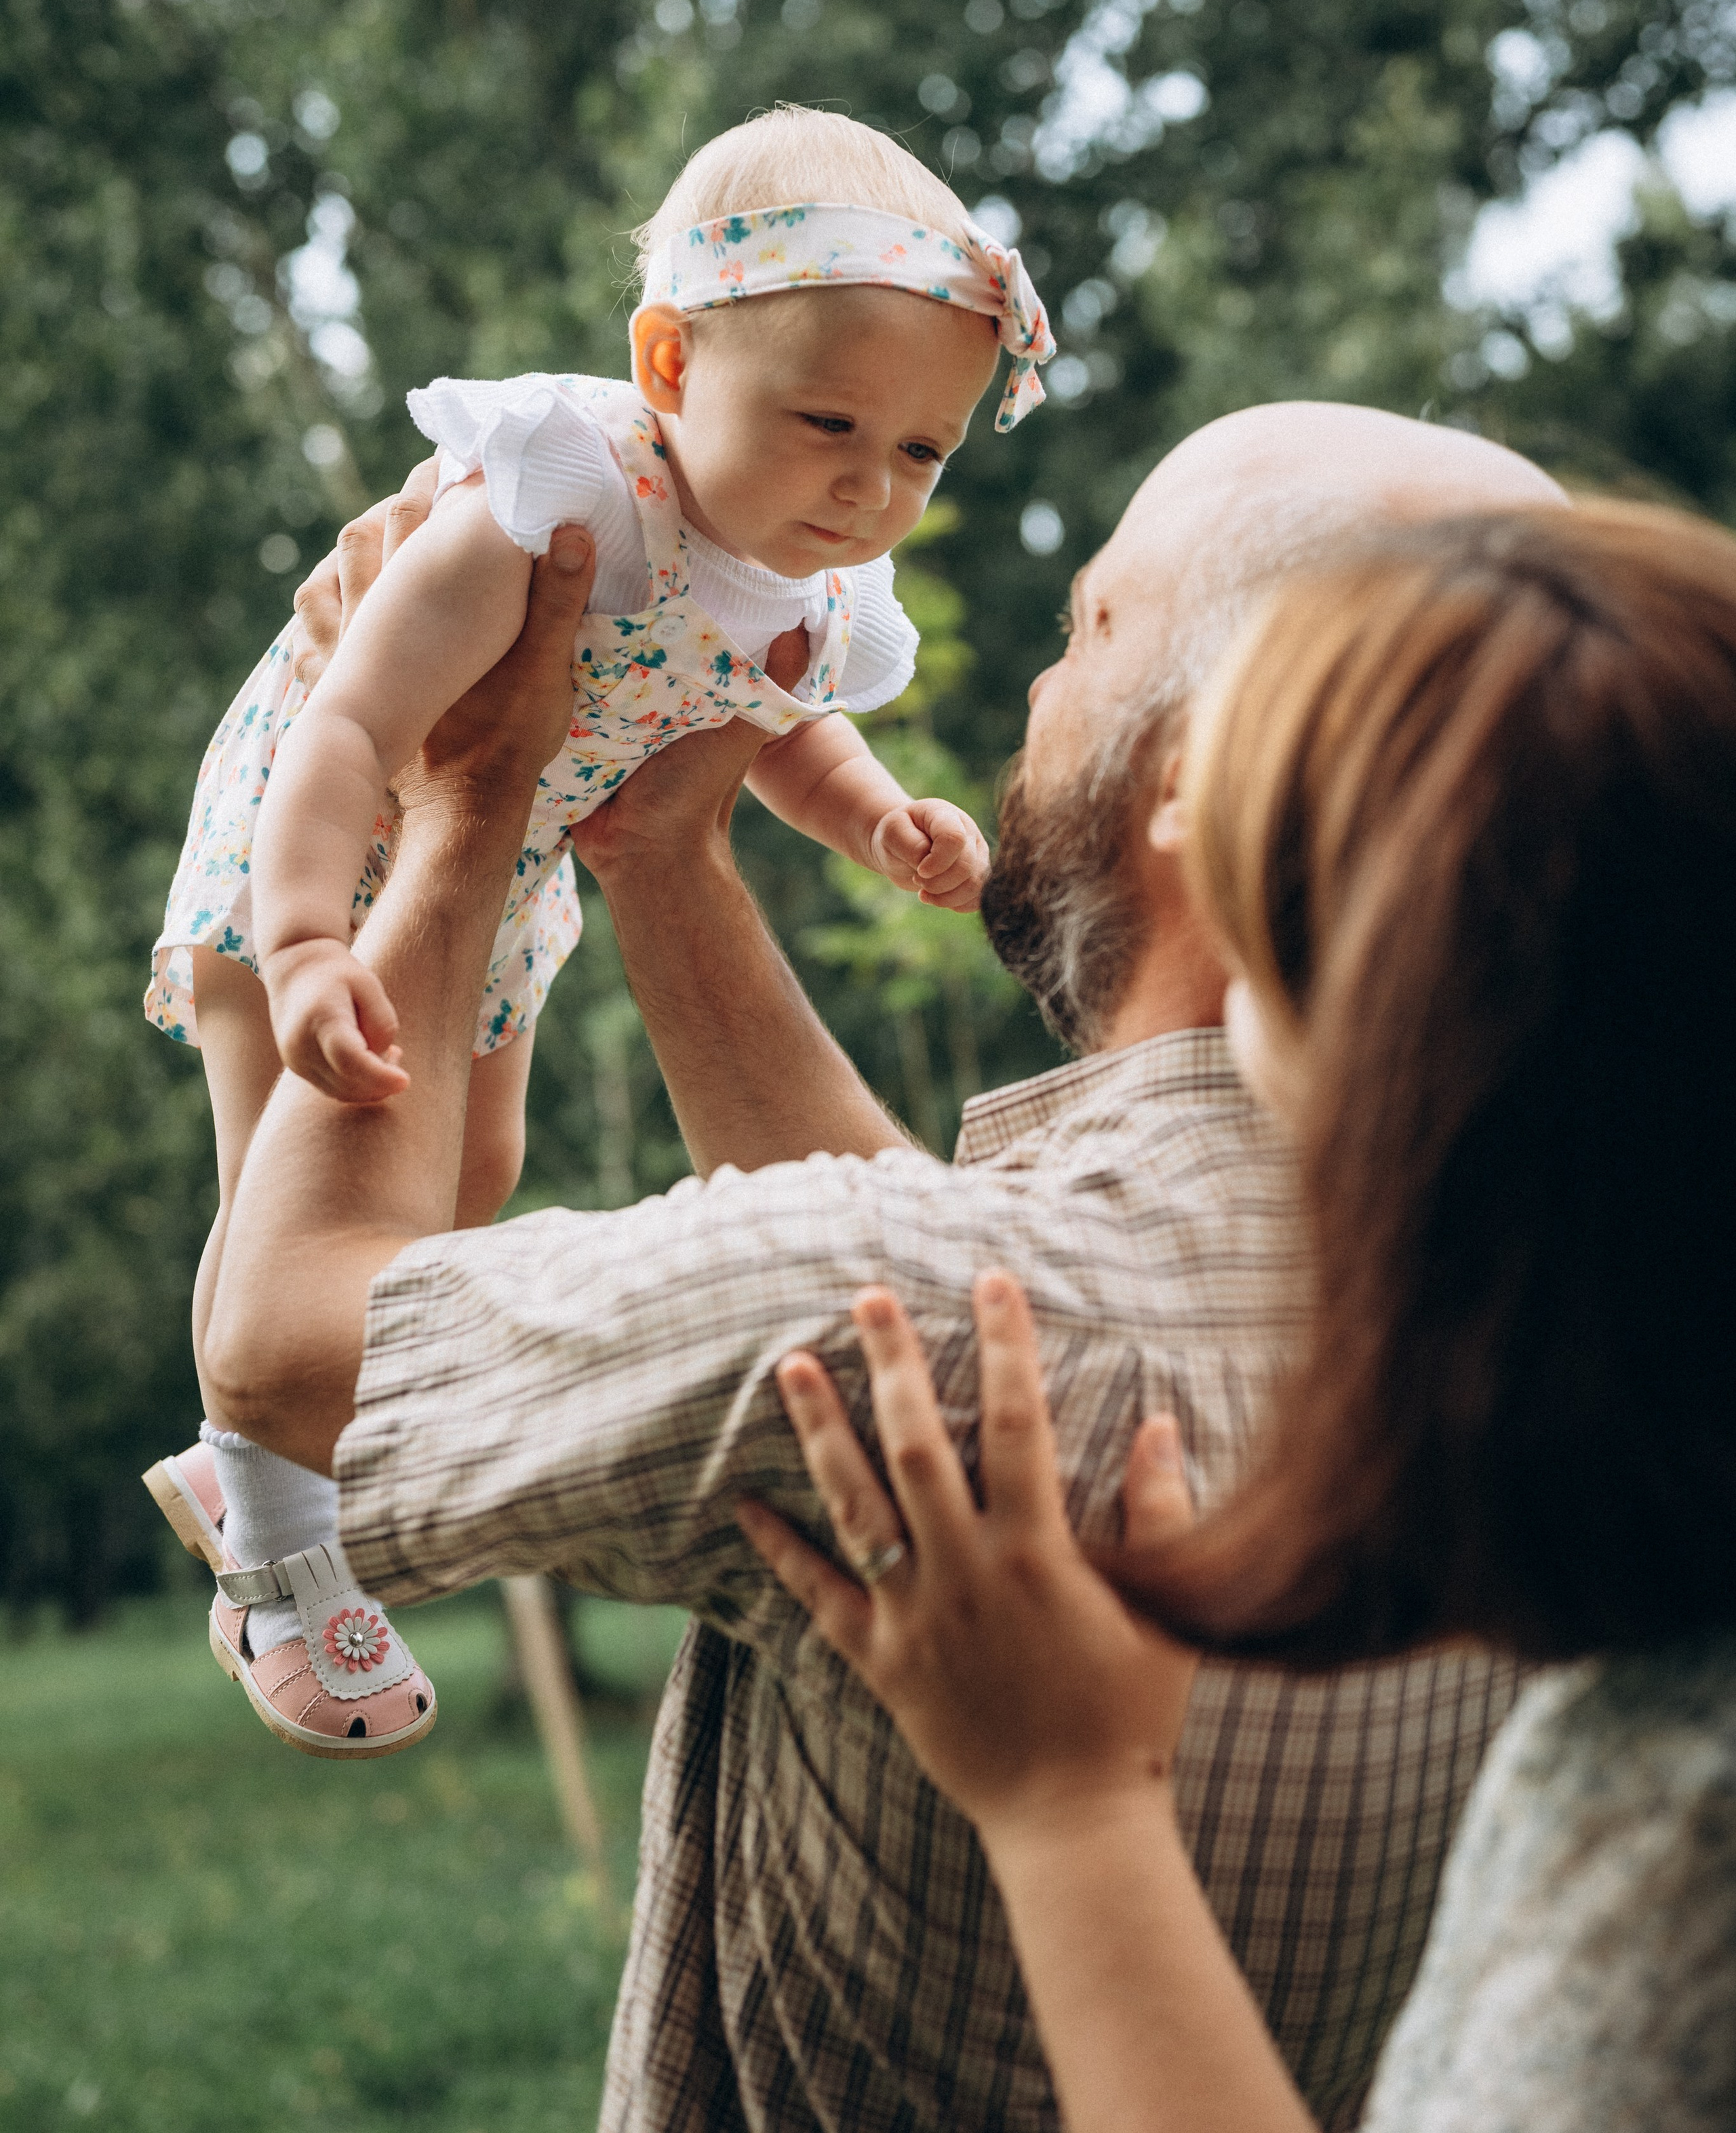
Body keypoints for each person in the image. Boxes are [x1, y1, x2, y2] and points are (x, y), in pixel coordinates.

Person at [201, 401, 1562, 2132]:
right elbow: (918, 1279)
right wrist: (655, 852)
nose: (1033, 693)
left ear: (1197, 790)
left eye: (1092, 629)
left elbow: (289, 1335)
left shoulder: (959, 1321)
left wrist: (468, 804)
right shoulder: (1551, 1316)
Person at [743, 502, 1736, 2133]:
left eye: (1274, 937)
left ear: (1417, 1069)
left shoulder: (1668, 1870)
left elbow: (289, 1347)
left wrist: (1069, 1806)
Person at [140, 105, 1050, 1753]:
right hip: (313, 857)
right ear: (669, 362)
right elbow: (347, 730)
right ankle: (273, 1553)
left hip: (499, 878)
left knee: (458, 1189)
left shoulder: (818, 583)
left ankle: (243, 1459)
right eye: (828, 420)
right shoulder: (566, 497)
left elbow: (782, 725)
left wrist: (873, 820)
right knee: (286, 1167)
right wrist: (292, 947)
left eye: (921, 451)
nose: (865, 486)